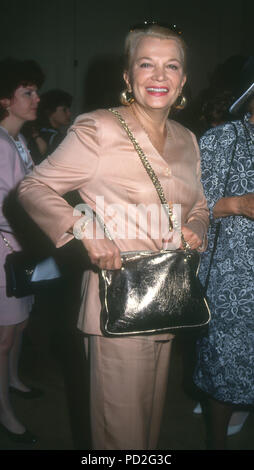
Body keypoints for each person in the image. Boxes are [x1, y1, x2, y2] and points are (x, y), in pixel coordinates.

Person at [18, 23, 209, 450]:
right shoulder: (99, 129)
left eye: (171, 66)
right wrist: (84, 230)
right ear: (128, 77)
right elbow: (33, 187)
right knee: (118, 438)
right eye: (147, 64)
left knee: (148, 431)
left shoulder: (186, 140)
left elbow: (197, 205)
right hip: (116, 304)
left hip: (167, 302)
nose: (159, 76)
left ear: (182, 80)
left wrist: (197, 226)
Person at [193, 56, 254, 449]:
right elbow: (188, 207)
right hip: (229, 283)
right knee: (223, 373)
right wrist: (237, 204)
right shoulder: (221, 140)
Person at [0, 57, 44, 444]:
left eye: (36, 91)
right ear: (4, 99)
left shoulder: (19, 140)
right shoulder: (1, 144)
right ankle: (4, 411)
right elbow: (6, 206)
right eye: (27, 92)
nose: (36, 98)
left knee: (21, 324)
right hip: (6, 250)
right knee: (4, 336)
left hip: (23, 249)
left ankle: (13, 380)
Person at [22, 88, 72, 164]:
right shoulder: (56, 137)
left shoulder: (35, 132)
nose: (69, 113)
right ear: (49, 111)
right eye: (64, 110)